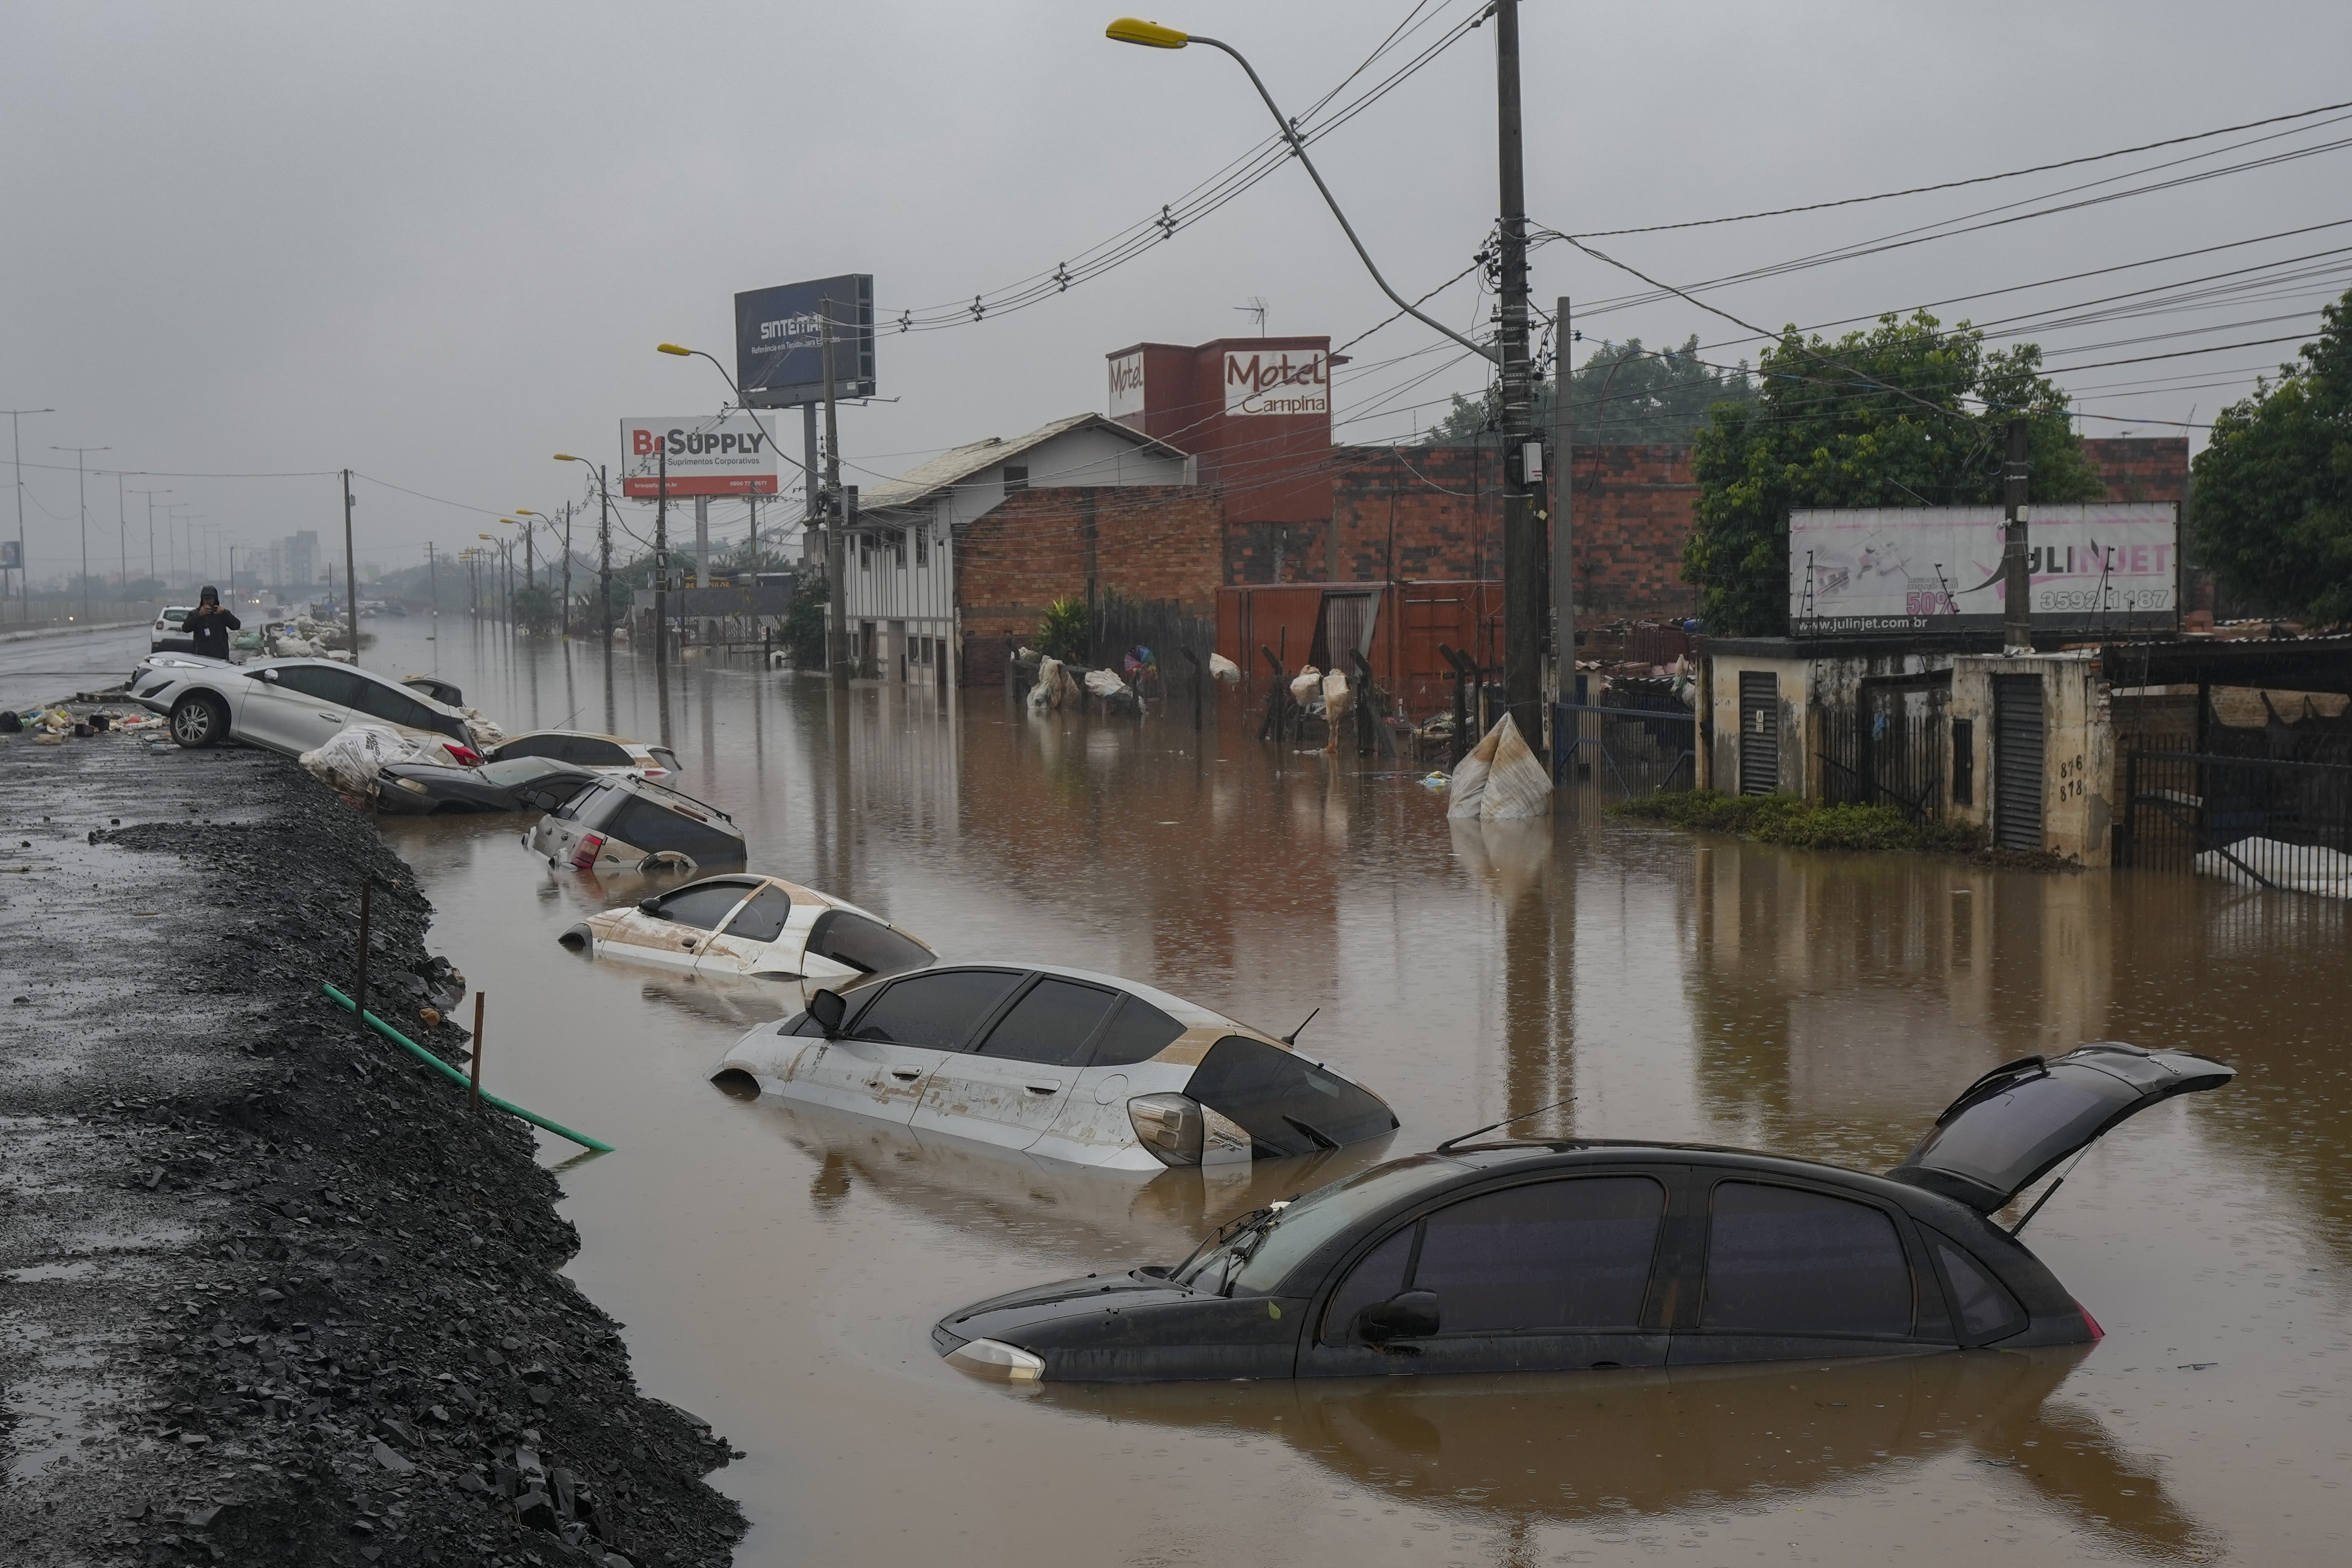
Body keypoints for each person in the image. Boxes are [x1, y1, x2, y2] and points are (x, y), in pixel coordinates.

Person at [184, 585, 240, 660]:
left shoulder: (221, 613)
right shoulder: (195, 614)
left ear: (215, 599)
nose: (209, 602)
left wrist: (225, 613)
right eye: (206, 599)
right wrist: (198, 615)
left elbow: (236, 626)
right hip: (201, 656)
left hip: (220, 656)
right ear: (202, 600)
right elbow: (186, 628)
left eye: (211, 599)